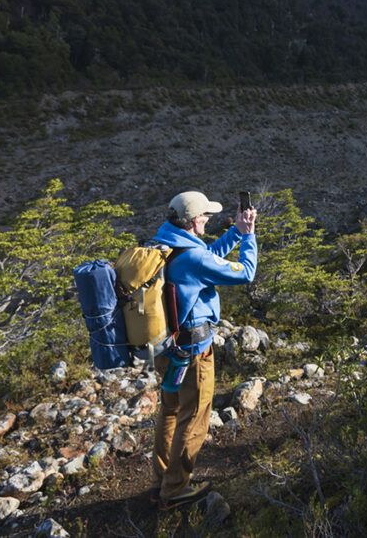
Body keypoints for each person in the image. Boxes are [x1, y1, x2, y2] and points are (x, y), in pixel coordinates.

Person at [149, 191, 257, 511]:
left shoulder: (166, 242)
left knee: (170, 411)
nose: (208, 220)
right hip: (193, 352)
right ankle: (176, 489)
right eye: (206, 216)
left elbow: (205, 255)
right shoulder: (193, 258)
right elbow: (245, 272)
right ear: (195, 221)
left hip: (166, 348)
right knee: (194, 417)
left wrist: (235, 231)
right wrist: (249, 237)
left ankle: (161, 482)